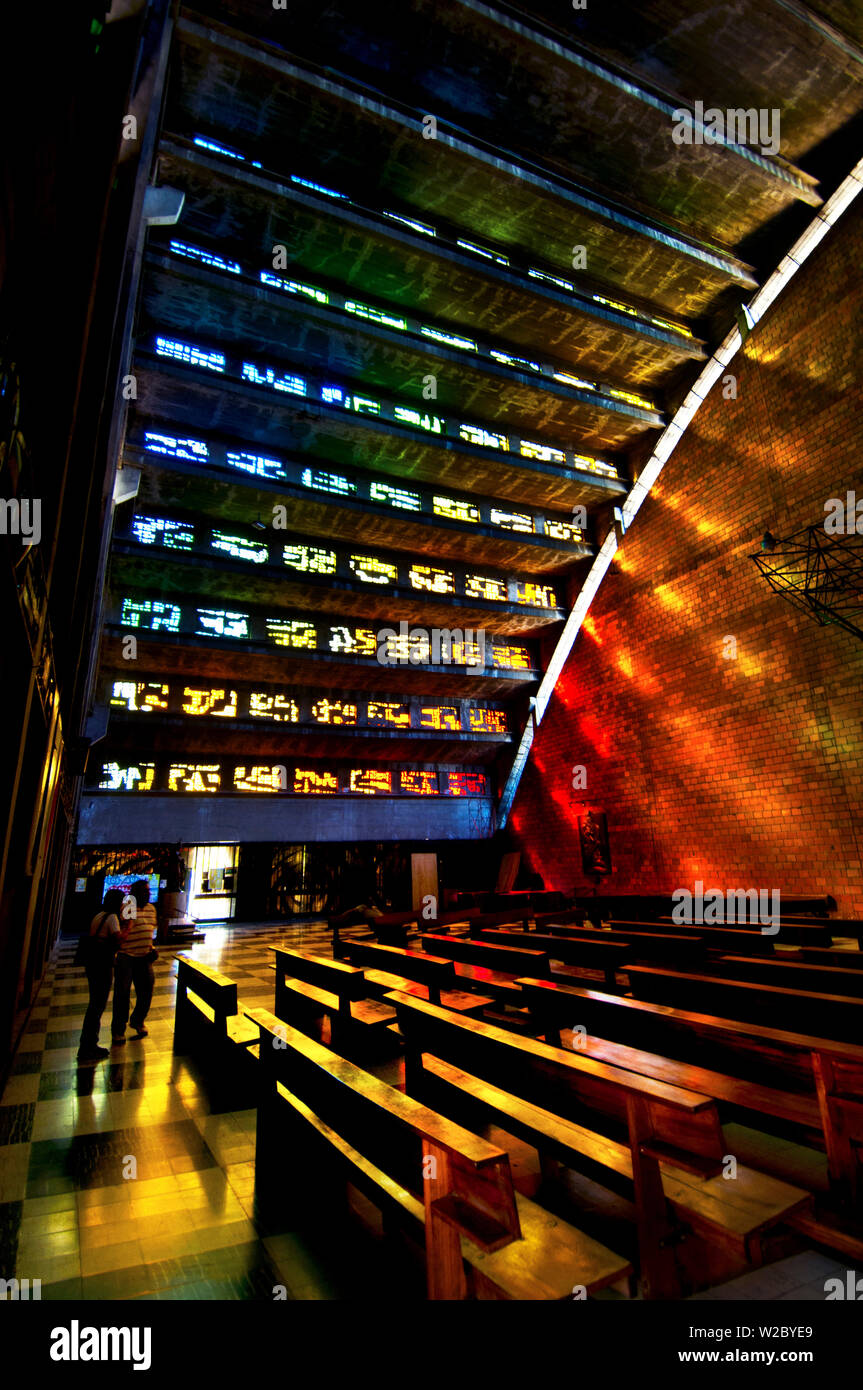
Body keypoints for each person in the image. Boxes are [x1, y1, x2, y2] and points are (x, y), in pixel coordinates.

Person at [77, 889, 124, 1062]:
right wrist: (129, 928)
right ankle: (88, 1045)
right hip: (103, 965)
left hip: (92, 963)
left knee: (94, 1005)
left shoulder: (99, 915)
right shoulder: (112, 918)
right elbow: (118, 939)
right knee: (97, 1005)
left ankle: (88, 1043)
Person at [111, 879, 158, 1044]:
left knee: (146, 991)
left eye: (149, 891)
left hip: (144, 956)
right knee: (122, 993)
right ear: (136, 893)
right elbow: (126, 926)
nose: (148, 894)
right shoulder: (129, 905)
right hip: (127, 956)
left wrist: (151, 947)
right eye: (145, 891)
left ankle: (138, 1020)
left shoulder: (152, 909)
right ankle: (118, 1029)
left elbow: (151, 929)